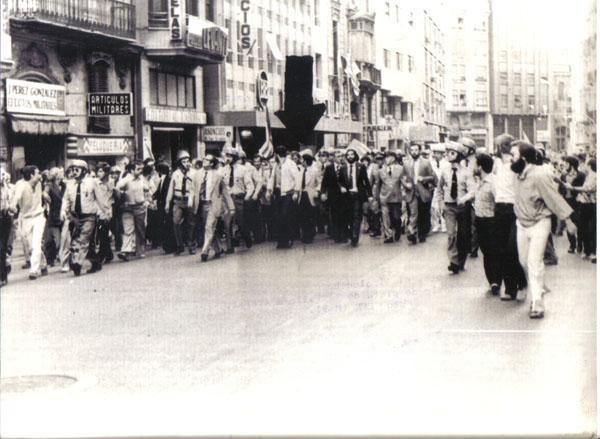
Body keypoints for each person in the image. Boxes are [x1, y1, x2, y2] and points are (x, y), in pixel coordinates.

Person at [511, 141, 577, 318]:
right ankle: (539, 285)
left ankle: (537, 301)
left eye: (513, 155)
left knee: (533, 262)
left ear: (523, 158)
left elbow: (553, 198)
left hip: (540, 222)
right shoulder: (517, 175)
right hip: (521, 224)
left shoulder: (539, 175)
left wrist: (568, 221)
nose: (511, 159)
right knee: (523, 261)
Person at [492, 134, 527, 300]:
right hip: (499, 208)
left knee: (512, 248)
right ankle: (510, 288)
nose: (496, 149)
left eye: (498, 145)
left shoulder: (517, 166)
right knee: (502, 249)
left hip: (514, 209)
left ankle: (521, 281)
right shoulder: (496, 165)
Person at [61, 160, 103, 276]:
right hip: (76, 217)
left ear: (84, 171)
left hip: (89, 216)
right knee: (77, 240)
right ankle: (95, 262)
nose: (74, 173)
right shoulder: (70, 184)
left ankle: (77, 264)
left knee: (83, 238)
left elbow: (100, 198)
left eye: (77, 170)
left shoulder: (92, 182)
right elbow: (66, 200)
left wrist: (105, 212)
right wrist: (63, 211)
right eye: (72, 170)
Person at [10, 165, 49, 279]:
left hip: (38, 216)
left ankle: (34, 270)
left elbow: (44, 189)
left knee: (36, 243)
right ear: (32, 175)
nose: (40, 175)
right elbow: (16, 197)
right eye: (37, 173)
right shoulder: (21, 186)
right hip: (26, 218)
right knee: (32, 246)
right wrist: (13, 206)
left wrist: (45, 195)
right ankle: (43, 264)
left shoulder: (39, 184)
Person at [437, 142, 470, 274]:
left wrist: (465, 199)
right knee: (451, 235)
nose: (448, 155)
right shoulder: (445, 172)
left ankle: (461, 260)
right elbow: (439, 189)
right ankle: (453, 261)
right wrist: (441, 203)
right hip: (449, 207)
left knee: (463, 235)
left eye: (452, 153)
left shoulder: (466, 173)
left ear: (459, 155)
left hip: (463, 208)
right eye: (448, 153)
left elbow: (472, 190)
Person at [472, 153, 502, 295]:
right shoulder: (479, 182)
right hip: (480, 220)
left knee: (493, 251)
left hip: (491, 221)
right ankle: (492, 281)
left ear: (480, 166)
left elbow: (499, 201)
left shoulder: (492, 182)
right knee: (485, 251)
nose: (473, 166)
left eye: (475, 164)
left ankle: (496, 280)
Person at [197, 154, 235, 262]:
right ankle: (218, 249)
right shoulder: (198, 175)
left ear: (212, 163)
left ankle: (204, 252)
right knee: (210, 228)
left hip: (214, 204)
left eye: (207, 160)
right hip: (203, 204)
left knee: (209, 227)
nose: (204, 160)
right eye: (204, 159)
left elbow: (225, 192)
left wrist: (231, 207)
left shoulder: (218, 176)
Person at [402, 143, 438, 244]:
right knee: (413, 213)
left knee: (423, 213)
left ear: (419, 151)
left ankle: (422, 234)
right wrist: (406, 185)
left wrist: (424, 179)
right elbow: (403, 177)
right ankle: (412, 233)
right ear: (409, 151)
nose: (414, 152)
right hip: (411, 191)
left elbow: (433, 177)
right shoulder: (406, 163)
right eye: (412, 150)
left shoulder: (426, 163)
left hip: (423, 191)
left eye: (416, 150)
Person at [220, 146, 255, 250]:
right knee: (227, 223)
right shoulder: (222, 170)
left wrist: (248, 196)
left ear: (235, 157)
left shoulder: (242, 169)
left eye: (230, 156)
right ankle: (229, 246)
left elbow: (249, 185)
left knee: (241, 222)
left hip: (239, 198)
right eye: (227, 155)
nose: (228, 158)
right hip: (227, 199)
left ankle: (247, 237)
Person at [338, 147, 372, 247]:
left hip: (357, 195)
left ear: (355, 155)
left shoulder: (361, 167)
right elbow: (339, 181)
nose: (350, 156)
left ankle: (355, 235)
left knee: (356, 216)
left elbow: (366, 181)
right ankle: (350, 233)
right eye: (348, 155)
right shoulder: (343, 168)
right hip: (346, 196)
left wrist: (369, 195)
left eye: (352, 154)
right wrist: (341, 187)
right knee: (348, 216)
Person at [117, 161, 150, 261]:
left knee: (140, 229)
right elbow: (117, 188)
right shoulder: (126, 180)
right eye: (138, 169)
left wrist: (146, 200)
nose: (140, 171)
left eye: (141, 169)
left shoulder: (142, 179)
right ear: (132, 170)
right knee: (128, 229)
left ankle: (140, 250)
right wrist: (123, 196)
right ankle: (126, 251)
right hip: (128, 208)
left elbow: (147, 189)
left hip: (140, 207)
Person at [165, 150, 197, 255]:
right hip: (178, 200)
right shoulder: (175, 174)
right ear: (179, 163)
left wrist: (192, 200)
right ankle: (180, 245)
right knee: (176, 222)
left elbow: (195, 189)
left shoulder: (194, 173)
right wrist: (167, 202)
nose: (186, 163)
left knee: (190, 224)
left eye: (188, 161)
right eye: (184, 161)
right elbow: (171, 189)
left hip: (189, 200)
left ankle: (191, 244)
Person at [566, 158, 597, 262]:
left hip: (592, 204)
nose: (584, 167)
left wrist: (573, 188)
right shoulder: (588, 176)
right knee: (583, 228)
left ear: (590, 166)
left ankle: (592, 252)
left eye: (586, 165)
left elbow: (588, 189)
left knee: (591, 229)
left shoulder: (595, 176)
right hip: (584, 204)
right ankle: (587, 251)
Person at [374, 150, 405, 244]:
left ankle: (398, 228)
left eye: (389, 157)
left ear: (394, 158)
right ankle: (388, 235)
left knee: (396, 217)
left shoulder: (400, 168)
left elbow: (403, 182)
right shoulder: (380, 171)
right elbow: (377, 184)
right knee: (385, 217)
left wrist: (404, 195)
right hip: (384, 196)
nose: (387, 159)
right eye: (386, 157)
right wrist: (376, 198)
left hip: (396, 197)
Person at [271, 146, 298, 249]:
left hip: (288, 193)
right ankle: (281, 240)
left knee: (285, 215)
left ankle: (289, 238)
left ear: (277, 154)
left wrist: (295, 192)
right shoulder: (276, 165)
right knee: (278, 217)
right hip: (278, 193)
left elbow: (297, 178)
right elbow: (272, 178)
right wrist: (270, 191)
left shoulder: (291, 164)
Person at [558, 155, 586, 254]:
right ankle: (572, 245)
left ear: (572, 165)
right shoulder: (563, 175)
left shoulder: (581, 175)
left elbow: (584, 188)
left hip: (577, 202)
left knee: (579, 224)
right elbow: (560, 189)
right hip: (566, 201)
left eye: (566, 163)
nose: (564, 165)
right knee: (568, 223)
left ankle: (580, 244)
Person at [293, 148, 320, 244]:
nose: (301, 162)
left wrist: (317, 191)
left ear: (305, 161)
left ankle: (310, 234)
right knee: (302, 215)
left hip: (310, 195)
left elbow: (319, 182)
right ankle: (305, 234)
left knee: (310, 216)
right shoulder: (300, 170)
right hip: (302, 194)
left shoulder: (314, 170)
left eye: (302, 160)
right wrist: (296, 193)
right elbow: (298, 183)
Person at [320, 149, 346, 243]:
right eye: (338, 156)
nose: (340, 158)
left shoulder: (345, 167)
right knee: (334, 215)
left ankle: (344, 235)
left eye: (341, 156)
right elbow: (324, 182)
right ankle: (337, 236)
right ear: (334, 158)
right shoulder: (329, 168)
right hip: (333, 195)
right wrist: (323, 192)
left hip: (343, 196)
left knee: (343, 215)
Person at [43, 167, 65, 266]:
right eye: (61, 172)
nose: (63, 173)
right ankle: (50, 258)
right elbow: (45, 192)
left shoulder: (64, 185)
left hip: (64, 214)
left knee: (62, 239)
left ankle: (59, 256)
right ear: (56, 175)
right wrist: (45, 195)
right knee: (52, 239)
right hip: (53, 215)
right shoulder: (50, 185)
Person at [95, 162, 114, 264]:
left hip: (107, 210)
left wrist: (109, 211)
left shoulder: (111, 183)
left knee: (104, 233)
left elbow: (110, 198)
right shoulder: (96, 183)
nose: (99, 173)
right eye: (98, 171)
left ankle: (103, 254)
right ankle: (108, 253)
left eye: (101, 171)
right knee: (102, 233)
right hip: (97, 210)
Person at [430, 143, 448, 233]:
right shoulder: (432, 163)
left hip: (444, 188)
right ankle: (436, 224)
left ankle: (444, 225)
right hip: (435, 188)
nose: (435, 155)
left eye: (437, 153)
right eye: (435, 153)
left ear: (441, 154)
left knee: (443, 206)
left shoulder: (446, 163)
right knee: (434, 207)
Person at [0, 167, 13, 286]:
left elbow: (8, 203)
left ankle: (2, 275)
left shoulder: (6, 188)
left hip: (4, 218)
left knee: (2, 247)